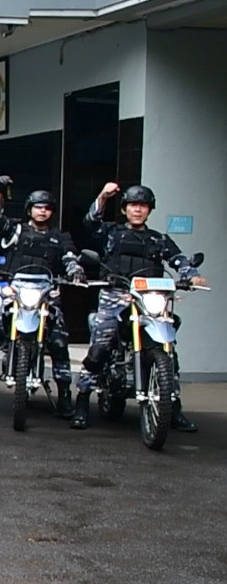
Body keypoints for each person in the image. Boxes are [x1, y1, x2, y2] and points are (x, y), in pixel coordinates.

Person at [71, 182, 207, 431]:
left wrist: (191, 274)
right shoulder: (111, 232)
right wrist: (103, 196)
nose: (138, 210)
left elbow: (178, 259)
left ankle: (172, 408)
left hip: (149, 298)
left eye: (143, 205)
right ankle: (82, 401)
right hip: (116, 296)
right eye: (133, 205)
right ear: (124, 209)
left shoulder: (159, 239)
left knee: (168, 350)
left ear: (149, 210)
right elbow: (90, 223)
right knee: (100, 347)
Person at [0, 178, 83, 417]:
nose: (42, 211)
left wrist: (75, 271)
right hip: (16, 292)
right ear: (29, 209)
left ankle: (64, 397)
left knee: (59, 342)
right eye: (38, 207)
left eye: (47, 208)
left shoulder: (60, 237)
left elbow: (70, 257)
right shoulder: (16, 230)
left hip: (47, 294)